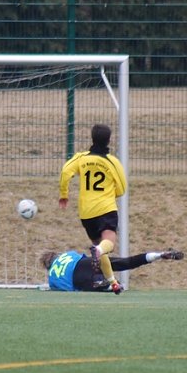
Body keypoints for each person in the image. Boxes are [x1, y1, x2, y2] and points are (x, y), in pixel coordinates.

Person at [58, 124, 127, 293]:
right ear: (109, 140)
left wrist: (64, 194)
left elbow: (66, 171)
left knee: (100, 247)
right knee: (107, 244)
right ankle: (99, 254)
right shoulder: (112, 162)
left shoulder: (81, 158)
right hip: (106, 208)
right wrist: (111, 193)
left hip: (87, 212)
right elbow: (122, 189)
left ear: (92, 138)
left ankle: (112, 282)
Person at [40, 247, 184, 292]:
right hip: (85, 262)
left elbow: (64, 289)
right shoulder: (67, 255)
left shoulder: (52, 278)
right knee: (126, 262)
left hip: (77, 277)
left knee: (91, 286)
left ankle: (109, 285)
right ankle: (158, 255)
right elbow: (78, 257)